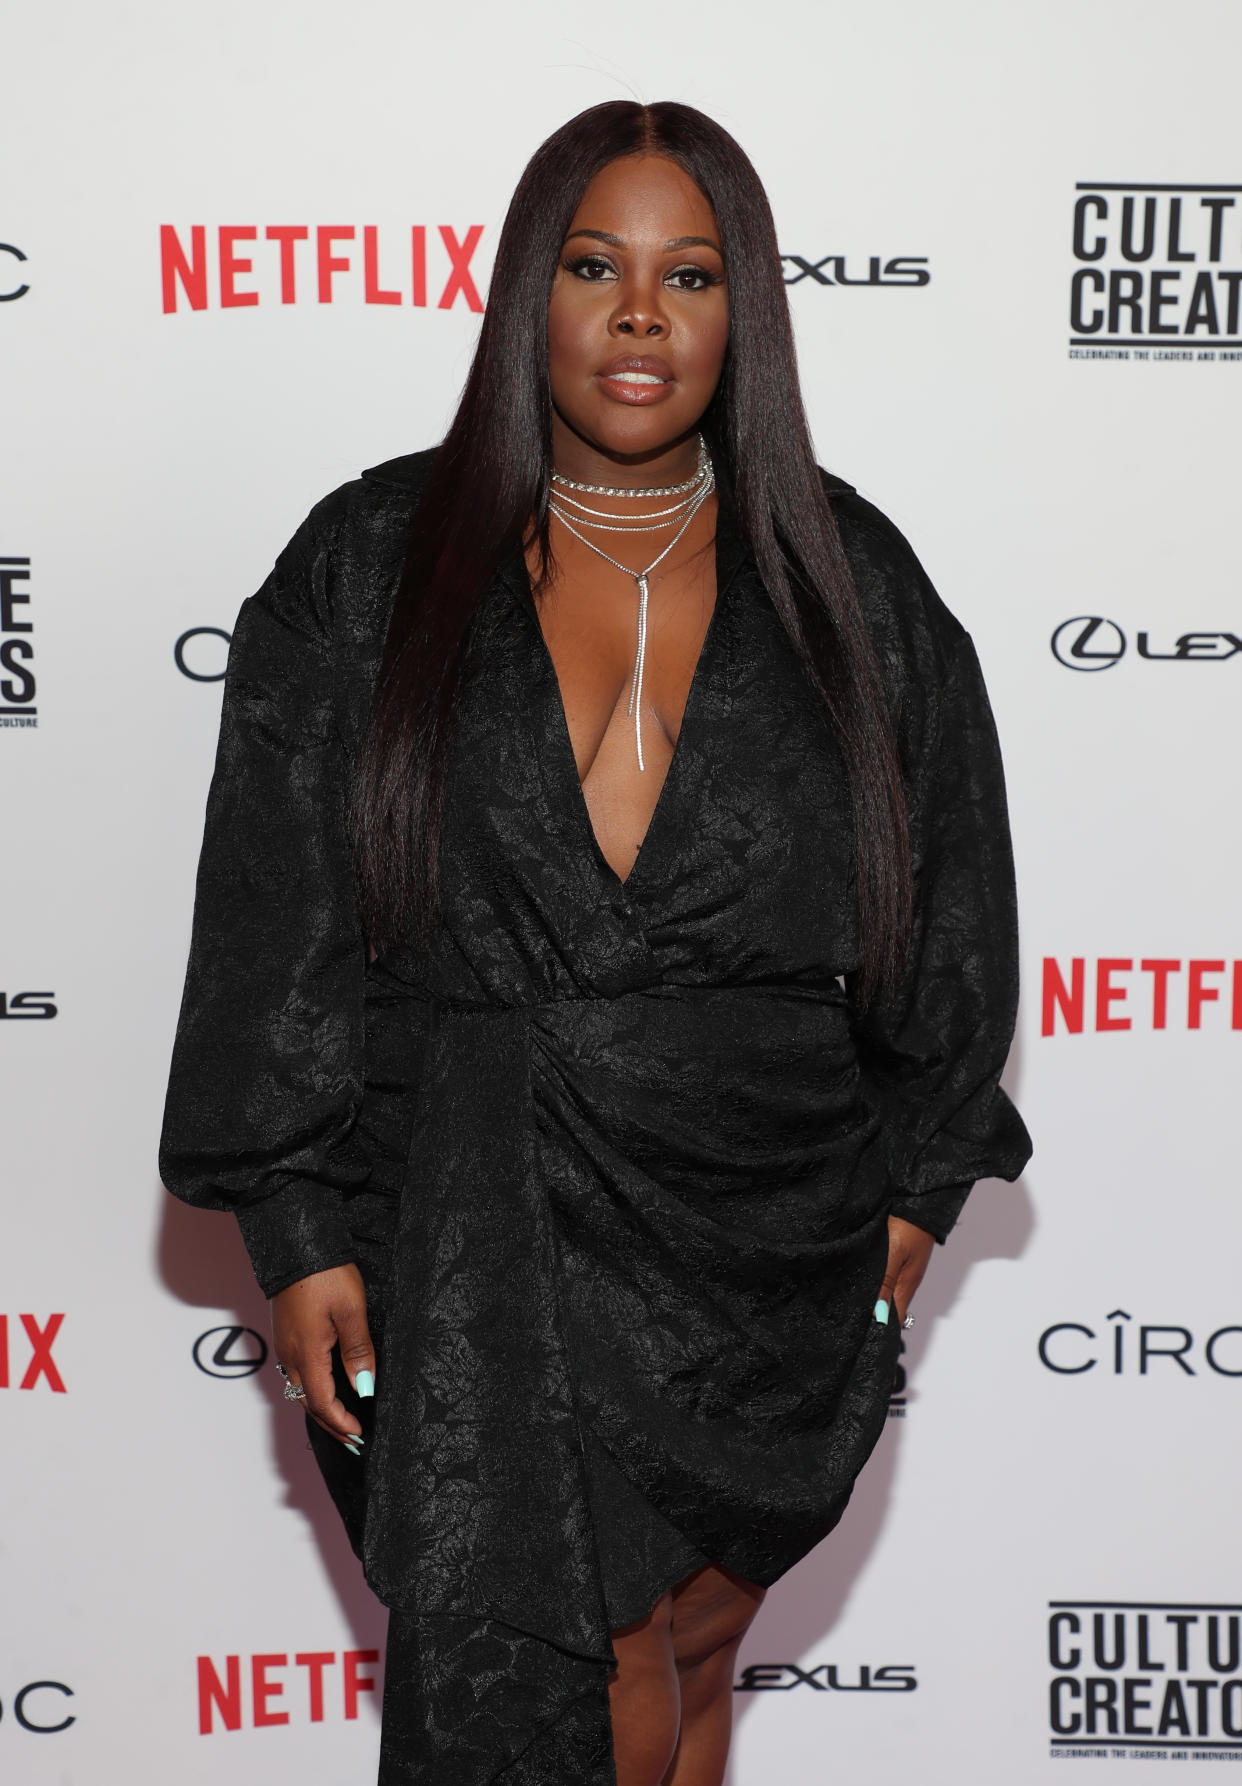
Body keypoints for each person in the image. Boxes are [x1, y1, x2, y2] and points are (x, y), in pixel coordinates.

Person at [159, 98, 1032, 1786]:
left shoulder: (846, 578)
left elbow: (953, 889)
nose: (640, 313)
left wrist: (918, 1182)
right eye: (593, 265)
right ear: (525, 296)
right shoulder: (371, 562)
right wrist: (291, 1217)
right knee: (582, 1645)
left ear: (742, 310)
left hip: (758, 1215)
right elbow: (274, 909)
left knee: (698, 1637)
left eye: (689, 272)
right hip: (469, 1204)